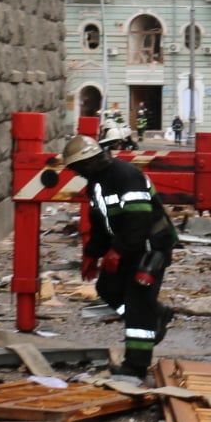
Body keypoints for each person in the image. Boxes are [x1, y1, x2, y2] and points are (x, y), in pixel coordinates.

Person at [52, 133, 177, 384]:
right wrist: (92, 254)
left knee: (137, 302)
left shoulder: (125, 176)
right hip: (129, 245)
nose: (76, 174)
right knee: (107, 287)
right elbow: (102, 223)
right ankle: (156, 314)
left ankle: (136, 366)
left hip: (150, 247)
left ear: (88, 163)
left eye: (76, 168)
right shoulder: (97, 184)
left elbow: (138, 220)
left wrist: (117, 251)